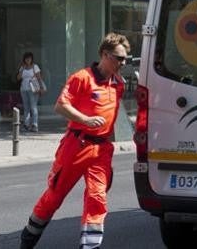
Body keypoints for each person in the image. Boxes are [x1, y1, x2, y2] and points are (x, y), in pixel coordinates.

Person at [19, 33, 130, 249]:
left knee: (97, 199)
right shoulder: (82, 78)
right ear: (105, 55)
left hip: (101, 150)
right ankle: (28, 239)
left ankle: (89, 246)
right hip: (76, 145)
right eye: (119, 58)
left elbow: (111, 115)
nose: (122, 63)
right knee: (55, 195)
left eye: (125, 58)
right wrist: (86, 120)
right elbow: (61, 106)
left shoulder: (118, 84)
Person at [17, 52, 43, 132]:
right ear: (24, 59)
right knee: (26, 107)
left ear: (31, 59)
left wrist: (41, 87)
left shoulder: (35, 67)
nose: (28, 60)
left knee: (33, 107)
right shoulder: (22, 67)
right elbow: (18, 78)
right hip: (24, 89)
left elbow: (39, 77)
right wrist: (22, 69)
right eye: (26, 58)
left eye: (29, 58)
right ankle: (26, 124)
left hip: (33, 89)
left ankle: (35, 125)